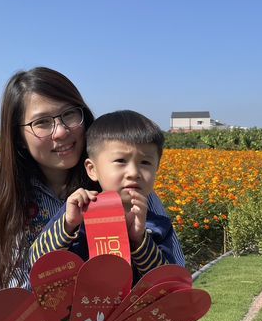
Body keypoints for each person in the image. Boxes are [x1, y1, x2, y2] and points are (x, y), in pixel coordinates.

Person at [0, 67, 189, 321]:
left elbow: (175, 292)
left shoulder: (130, 194)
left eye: (68, 116)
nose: (60, 131)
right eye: (42, 123)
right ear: (19, 137)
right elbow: (19, 303)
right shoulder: (15, 206)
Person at [30, 110, 176, 283]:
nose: (134, 173)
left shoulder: (158, 226)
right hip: (77, 309)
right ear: (92, 169)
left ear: (156, 169)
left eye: (145, 162)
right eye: (121, 161)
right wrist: (68, 225)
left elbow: (167, 283)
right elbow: (36, 263)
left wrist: (140, 240)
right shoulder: (77, 214)